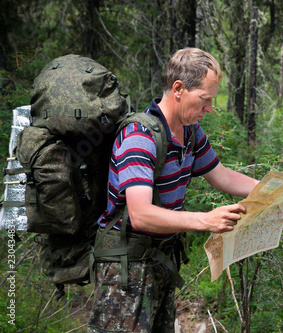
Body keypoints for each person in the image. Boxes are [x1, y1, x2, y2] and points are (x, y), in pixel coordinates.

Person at [87, 48, 260, 332]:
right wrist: (206, 220)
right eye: (204, 99)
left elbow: (223, 177)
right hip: (126, 268)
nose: (209, 108)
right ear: (178, 89)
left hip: (161, 261)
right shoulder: (140, 137)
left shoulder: (190, 132)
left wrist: (274, 190)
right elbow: (140, 214)